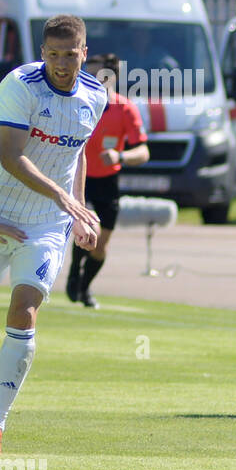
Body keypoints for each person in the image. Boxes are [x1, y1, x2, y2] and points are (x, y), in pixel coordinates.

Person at [0, 15, 103, 455]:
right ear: (42, 52)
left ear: (83, 53)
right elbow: (12, 156)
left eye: (70, 55)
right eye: (52, 54)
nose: (60, 64)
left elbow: (78, 151)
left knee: (24, 310)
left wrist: (79, 210)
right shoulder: (20, 85)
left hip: (45, 225)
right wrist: (64, 198)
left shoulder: (96, 94)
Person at [67, 53, 150, 308]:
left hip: (108, 181)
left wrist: (120, 155)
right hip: (80, 179)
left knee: (100, 245)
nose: (89, 78)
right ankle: (74, 273)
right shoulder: (75, 103)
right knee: (87, 228)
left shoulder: (125, 109)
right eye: (86, 73)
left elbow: (144, 152)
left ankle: (85, 286)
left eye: (96, 74)